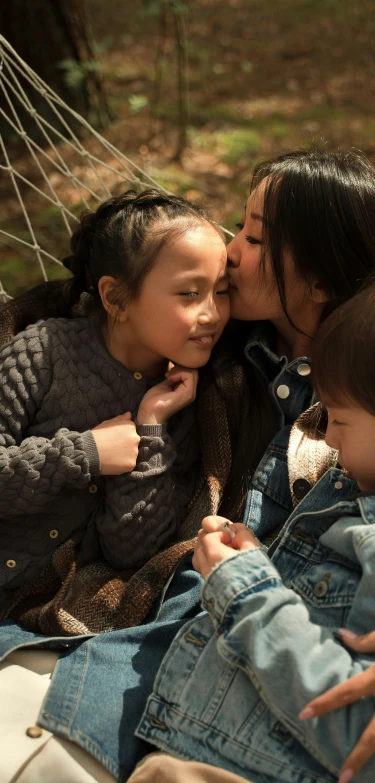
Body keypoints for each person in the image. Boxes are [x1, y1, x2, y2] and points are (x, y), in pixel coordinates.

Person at [0, 149, 375, 783]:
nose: (229, 247)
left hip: (276, 676)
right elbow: (101, 305)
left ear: (321, 277)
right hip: (154, 627)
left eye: (252, 234)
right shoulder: (211, 338)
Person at [133, 267, 375, 783]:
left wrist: (244, 588)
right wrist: (259, 560)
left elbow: (362, 732)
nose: (331, 440)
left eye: (341, 420)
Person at [0, 187, 229, 614]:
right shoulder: (43, 352)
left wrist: (152, 426)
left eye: (222, 291)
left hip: (41, 613)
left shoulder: (187, 400)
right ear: (115, 298)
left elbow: (130, 550)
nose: (213, 313)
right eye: (189, 293)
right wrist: (85, 452)